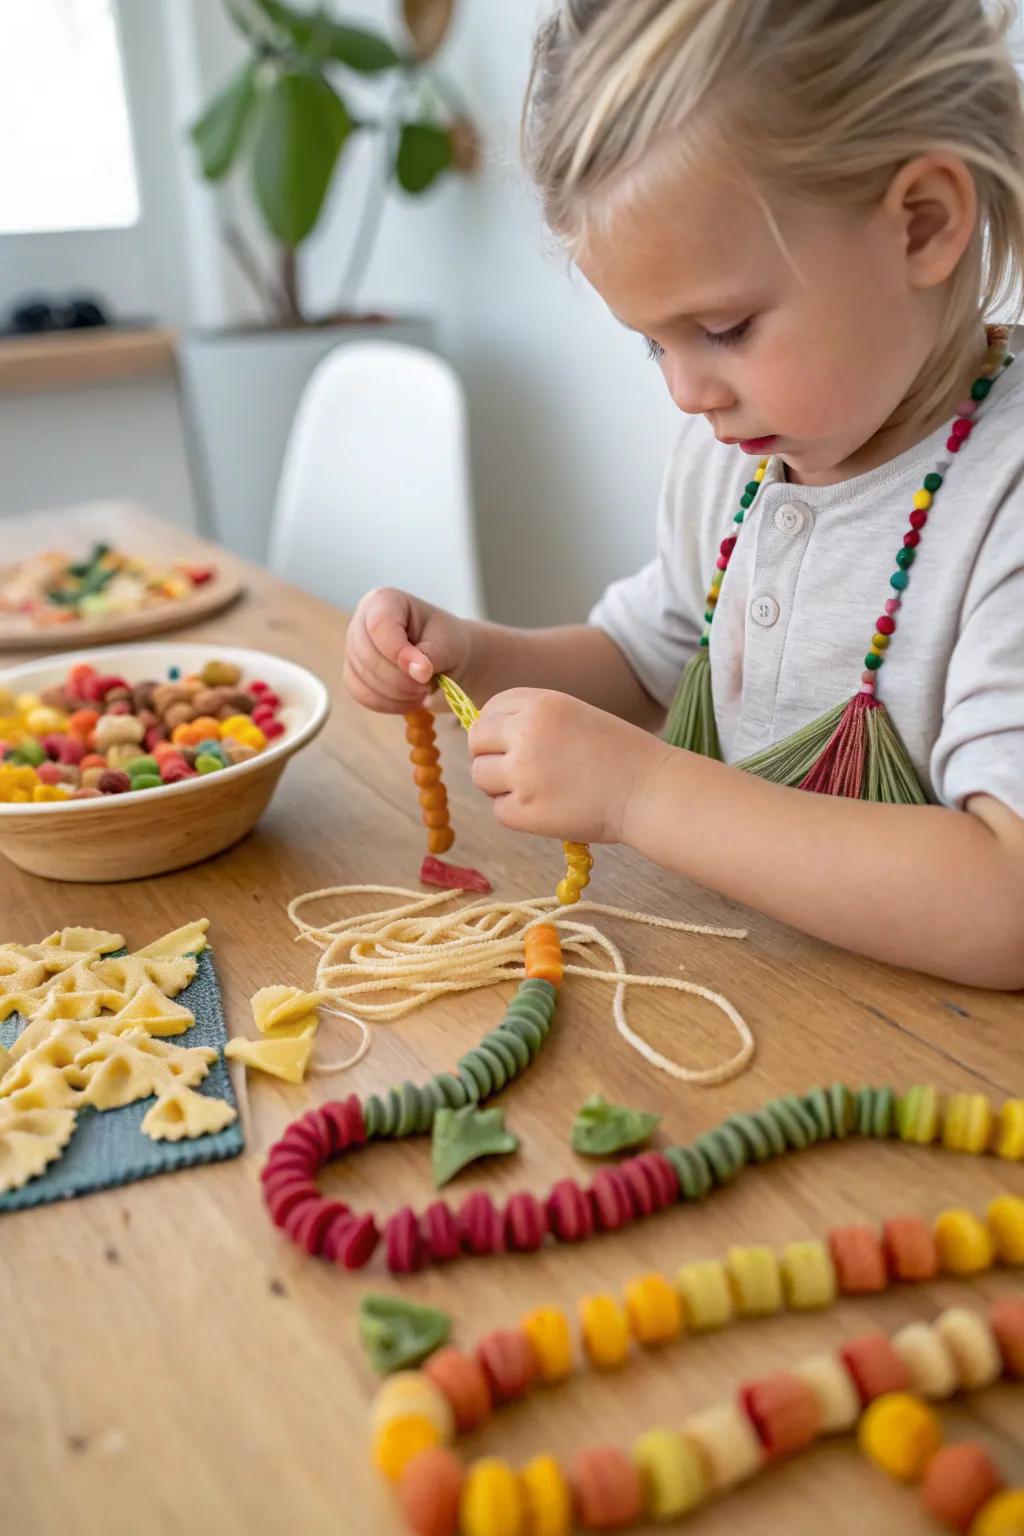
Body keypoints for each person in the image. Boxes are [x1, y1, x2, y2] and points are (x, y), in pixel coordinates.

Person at [344, 0, 1024, 989]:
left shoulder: (1000, 496)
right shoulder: (737, 456)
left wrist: (641, 794)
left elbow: (1004, 905)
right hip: (751, 1012)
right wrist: (475, 655)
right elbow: (647, 656)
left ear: (920, 224)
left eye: (725, 326)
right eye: (652, 342)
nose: (685, 392)